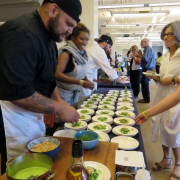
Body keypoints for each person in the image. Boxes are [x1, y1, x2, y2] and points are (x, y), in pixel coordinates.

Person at [0, 0, 82, 175]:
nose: (70, 31)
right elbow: (17, 91)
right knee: (18, 170)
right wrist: (58, 108)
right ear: (53, 9)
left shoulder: (50, 40)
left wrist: (61, 102)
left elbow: (48, 80)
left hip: (31, 118)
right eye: (68, 24)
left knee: (36, 168)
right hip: (12, 117)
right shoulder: (22, 33)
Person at [135, 20, 180, 180]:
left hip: (176, 99)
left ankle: (178, 164)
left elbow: (175, 79)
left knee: (174, 131)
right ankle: (166, 158)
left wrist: (174, 81)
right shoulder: (167, 54)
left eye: (170, 34)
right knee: (162, 126)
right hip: (163, 94)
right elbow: (165, 75)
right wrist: (157, 77)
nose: (166, 37)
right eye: (164, 34)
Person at [55, 23, 94, 108]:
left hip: (74, 94)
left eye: (87, 40)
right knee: (62, 121)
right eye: (82, 39)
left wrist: (87, 81)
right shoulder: (66, 53)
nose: (85, 42)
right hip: (62, 96)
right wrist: (80, 82)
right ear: (72, 38)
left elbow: (81, 72)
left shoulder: (81, 54)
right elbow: (57, 74)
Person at [78, 35, 124, 102]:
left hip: (86, 77)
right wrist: (119, 80)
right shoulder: (99, 50)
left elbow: (90, 68)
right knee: (84, 102)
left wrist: (97, 81)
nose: (108, 49)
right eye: (109, 47)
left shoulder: (94, 48)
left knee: (87, 101)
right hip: (84, 78)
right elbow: (107, 68)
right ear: (105, 43)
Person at [137, 38, 156, 103]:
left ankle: (146, 99)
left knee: (145, 82)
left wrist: (139, 56)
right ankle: (146, 98)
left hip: (148, 68)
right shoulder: (146, 49)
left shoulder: (148, 49)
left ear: (145, 42)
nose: (140, 44)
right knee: (144, 82)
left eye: (141, 42)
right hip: (146, 67)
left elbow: (145, 59)